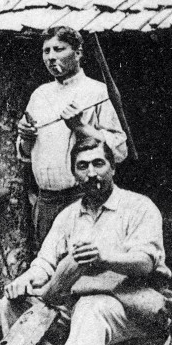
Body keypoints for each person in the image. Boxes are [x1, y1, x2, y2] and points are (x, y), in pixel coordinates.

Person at [0, 138, 172, 345]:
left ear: (113, 167)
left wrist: (106, 258)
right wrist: (25, 280)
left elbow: (145, 262)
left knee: (92, 307)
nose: (92, 173)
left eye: (98, 163)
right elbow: (44, 263)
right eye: (83, 166)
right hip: (78, 307)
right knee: (15, 303)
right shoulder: (68, 216)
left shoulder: (138, 207)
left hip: (135, 306)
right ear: (74, 174)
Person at [18, 26, 128, 246]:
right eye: (46, 51)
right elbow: (26, 153)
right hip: (47, 200)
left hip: (83, 197)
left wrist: (80, 127)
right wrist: (27, 137)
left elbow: (120, 150)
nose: (51, 57)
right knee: (49, 268)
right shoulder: (40, 95)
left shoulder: (97, 92)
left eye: (58, 49)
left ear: (78, 53)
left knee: (85, 267)